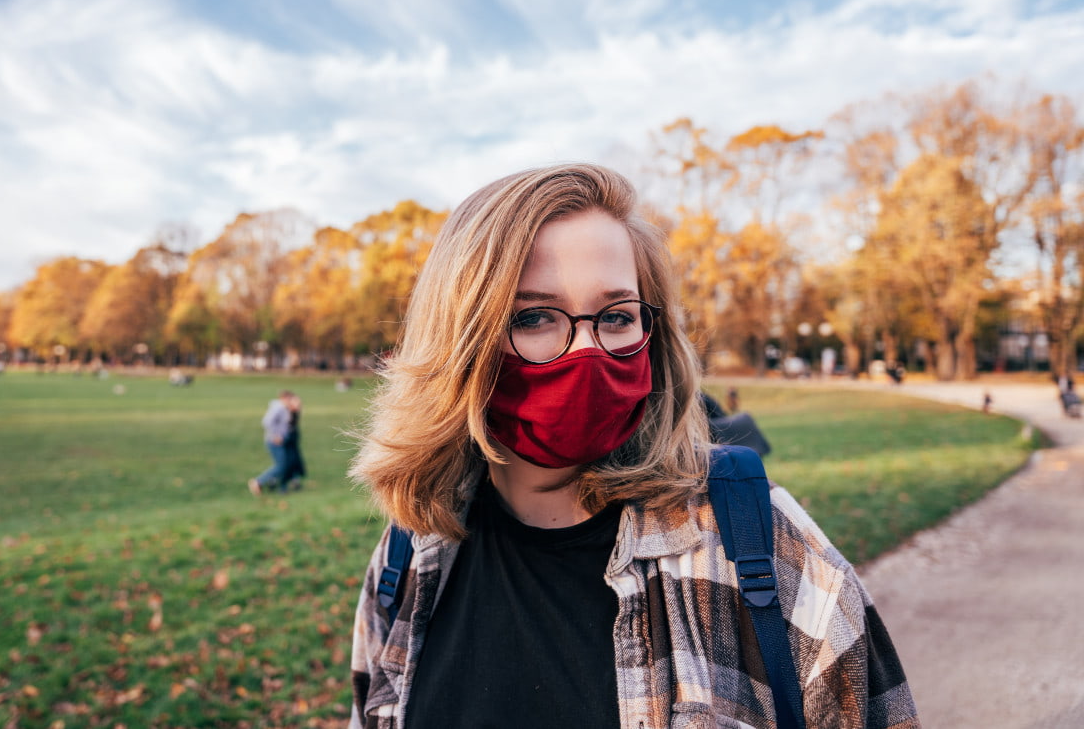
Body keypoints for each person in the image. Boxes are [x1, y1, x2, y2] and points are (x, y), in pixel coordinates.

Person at [348, 164, 919, 728]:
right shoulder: (410, 557)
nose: (587, 350)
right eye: (535, 316)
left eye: (617, 316)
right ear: (459, 340)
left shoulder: (765, 548)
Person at [248, 390, 295, 495]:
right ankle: (258, 481)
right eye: (290, 399)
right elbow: (267, 421)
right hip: (274, 441)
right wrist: (275, 436)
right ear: (284, 398)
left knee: (283, 465)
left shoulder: (283, 408)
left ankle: (277, 485)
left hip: (281, 441)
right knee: (281, 466)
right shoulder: (278, 408)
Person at [279, 392, 307, 490]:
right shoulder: (284, 411)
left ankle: (294, 480)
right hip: (287, 438)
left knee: (294, 460)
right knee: (288, 461)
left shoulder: (293, 413)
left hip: (293, 438)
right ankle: (280, 482)